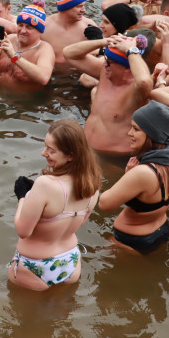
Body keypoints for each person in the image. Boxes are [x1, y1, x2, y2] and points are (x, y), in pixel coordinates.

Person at [9, 120, 102, 289]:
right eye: (45, 146)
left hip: (34, 266)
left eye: (51, 150)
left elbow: (23, 231)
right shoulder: (92, 186)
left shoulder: (45, 184)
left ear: (71, 155)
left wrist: (22, 197)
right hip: (70, 261)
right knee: (63, 312)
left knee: (23, 314)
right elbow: (78, 223)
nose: (44, 153)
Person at [99, 102, 169, 253]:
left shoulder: (142, 173)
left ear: (152, 134)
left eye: (136, 129)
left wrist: (128, 174)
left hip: (132, 240)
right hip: (161, 229)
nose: (129, 133)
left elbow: (105, 204)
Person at [84, 34, 154, 154]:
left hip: (114, 158)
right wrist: (105, 41)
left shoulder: (136, 90)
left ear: (126, 69)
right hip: (86, 149)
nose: (104, 64)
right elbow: (69, 53)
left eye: (109, 62)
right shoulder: (105, 73)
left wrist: (130, 50)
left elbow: (144, 81)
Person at [0, 0, 56, 86]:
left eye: (29, 27)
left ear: (40, 32)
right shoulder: (10, 39)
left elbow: (44, 78)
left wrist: (14, 56)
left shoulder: (45, 50)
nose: (22, 31)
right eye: (20, 25)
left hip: (24, 98)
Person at [44, 0, 97, 65]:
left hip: (78, 75)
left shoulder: (89, 26)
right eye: (79, 6)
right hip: (51, 74)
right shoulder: (44, 26)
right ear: (66, 7)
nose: (84, 10)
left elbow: (103, 56)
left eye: (84, 6)